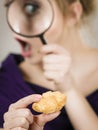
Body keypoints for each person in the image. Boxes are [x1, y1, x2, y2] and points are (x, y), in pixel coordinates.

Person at [0, 0, 98, 130]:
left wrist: (69, 90)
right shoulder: (5, 85)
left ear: (73, 13)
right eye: (9, 6)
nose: (16, 33)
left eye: (31, 8)